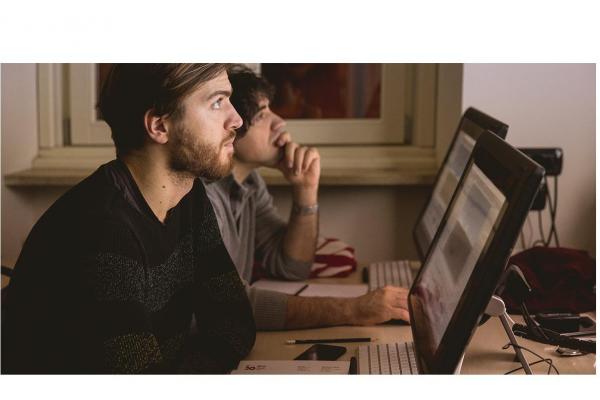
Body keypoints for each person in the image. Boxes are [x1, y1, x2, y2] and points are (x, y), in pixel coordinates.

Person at [1, 64, 256, 374]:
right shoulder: (102, 230)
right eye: (217, 102)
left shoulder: (188, 196)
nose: (237, 119)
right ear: (159, 127)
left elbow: (234, 322)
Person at [205, 65, 410, 331]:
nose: (280, 122)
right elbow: (228, 306)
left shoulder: (250, 183)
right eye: (261, 114)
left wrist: (306, 190)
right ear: (230, 126)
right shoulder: (205, 198)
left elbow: (291, 267)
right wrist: (353, 310)